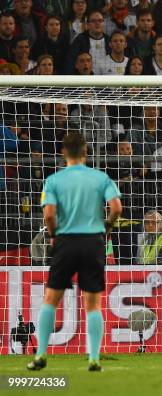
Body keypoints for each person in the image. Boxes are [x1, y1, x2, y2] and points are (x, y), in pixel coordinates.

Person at [27, 133, 122, 372]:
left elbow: (49, 214)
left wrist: (52, 235)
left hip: (65, 242)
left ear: (63, 153)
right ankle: (93, 358)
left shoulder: (54, 180)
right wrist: (107, 227)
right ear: (86, 152)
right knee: (93, 303)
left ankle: (40, 355)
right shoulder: (100, 177)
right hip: (93, 241)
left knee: (51, 299)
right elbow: (117, 208)